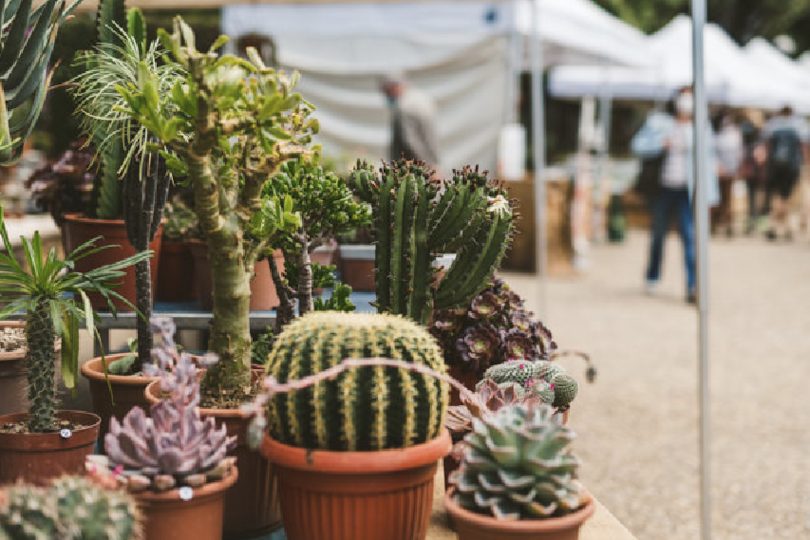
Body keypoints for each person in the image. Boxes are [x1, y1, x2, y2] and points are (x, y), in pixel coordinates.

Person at [631, 86, 719, 304]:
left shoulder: (701, 127)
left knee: (689, 237)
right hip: (663, 189)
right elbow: (638, 145)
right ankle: (652, 275)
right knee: (658, 235)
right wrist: (661, 143)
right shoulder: (660, 123)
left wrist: (710, 196)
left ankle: (692, 285)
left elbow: (708, 162)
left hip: (687, 191)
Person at [762, 105, 807, 240]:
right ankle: (786, 227)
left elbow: (767, 146)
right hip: (792, 166)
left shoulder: (773, 125)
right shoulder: (798, 125)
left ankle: (774, 226)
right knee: (787, 197)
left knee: (776, 196)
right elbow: (804, 146)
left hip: (775, 166)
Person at [380, 73, 440, 168]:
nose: (386, 96)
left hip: (412, 166)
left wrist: (428, 166)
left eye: (386, 91)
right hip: (427, 161)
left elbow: (410, 141)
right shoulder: (422, 98)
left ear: (394, 87)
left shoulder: (403, 106)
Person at [712, 111, 743, 236]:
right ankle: (717, 224)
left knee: (727, 199)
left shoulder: (734, 134)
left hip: (730, 170)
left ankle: (727, 224)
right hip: (720, 170)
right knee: (718, 198)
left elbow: (739, 153)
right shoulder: (719, 134)